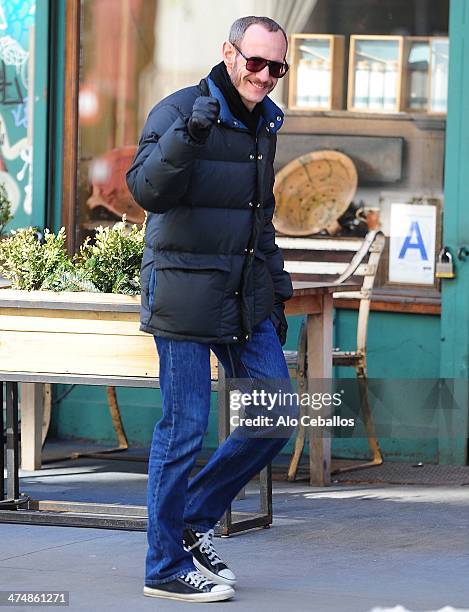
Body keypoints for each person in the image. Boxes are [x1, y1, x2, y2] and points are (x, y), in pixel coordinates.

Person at [126, 15, 295, 604]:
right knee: (184, 428)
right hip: (183, 293)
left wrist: (277, 288)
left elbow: (259, 214)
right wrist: (190, 136)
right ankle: (164, 566)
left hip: (241, 294)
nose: (266, 76)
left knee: (276, 415)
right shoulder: (179, 111)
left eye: (278, 67)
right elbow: (146, 191)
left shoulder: (265, 123)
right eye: (256, 63)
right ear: (228, 54)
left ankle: (192, 521)